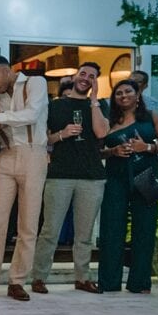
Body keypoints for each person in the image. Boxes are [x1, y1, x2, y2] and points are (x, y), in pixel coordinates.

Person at [0, 55, 48, 302]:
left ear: (6, 71)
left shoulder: (35, 83)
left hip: (34, 154)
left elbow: (31, 114)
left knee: (28, 222)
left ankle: (17, 281)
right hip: (5, 157)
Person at [30, 63, 110, 295]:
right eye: (83, 74)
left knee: (84, 234)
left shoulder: (100, 104)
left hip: (92, 177)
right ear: (75, 76)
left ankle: (82, 278)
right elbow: (44, 139)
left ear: (96, 81)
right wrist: (62, 134)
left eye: (92, 76)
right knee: (50, 230)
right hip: (60, 175)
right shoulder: (55, 106)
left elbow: (101, 133)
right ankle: (38, 277)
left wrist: (94, 99)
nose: (86, 78)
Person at [98, 79, 158, 293]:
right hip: (115, 177)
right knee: (111, 229)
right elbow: (98, 151)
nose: (123, 96)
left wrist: (146, 146)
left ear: (137, 95)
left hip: (145, 175)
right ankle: (109, 282)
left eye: (128, 91)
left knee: (145, 229)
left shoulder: (153, 117)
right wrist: (113, 152)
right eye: (118, 93)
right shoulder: (109, 121)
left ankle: (140, 283)